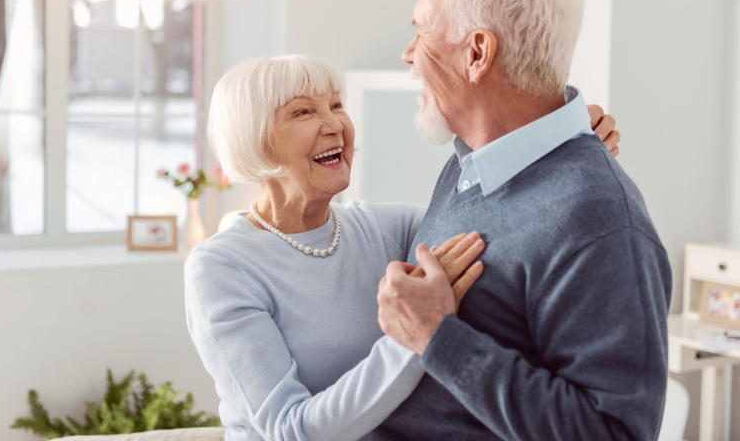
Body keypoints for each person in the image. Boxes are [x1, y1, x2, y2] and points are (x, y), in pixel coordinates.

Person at [184, 54, 620, 441]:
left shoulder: (381, 227)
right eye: (302, 112)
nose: (334, 124)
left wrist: (563, 152)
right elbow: (290, 430)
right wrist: (418, 334)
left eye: (336, 105)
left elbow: (497, 227)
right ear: (257, 141)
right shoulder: (221, 267)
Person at [375, 0, 672, 440]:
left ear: (477, 53)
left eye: (421, 33)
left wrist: (439, 338)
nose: (407, 54)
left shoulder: (599, 220)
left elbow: (613, 433)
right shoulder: (470, 166)